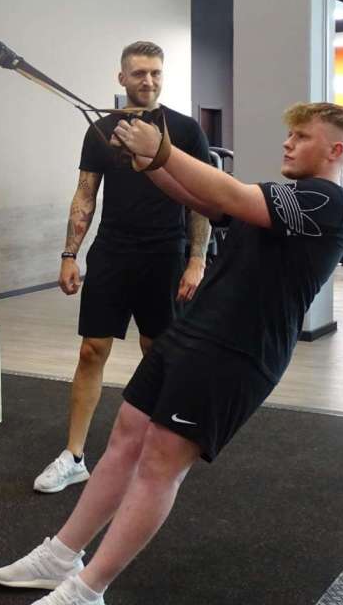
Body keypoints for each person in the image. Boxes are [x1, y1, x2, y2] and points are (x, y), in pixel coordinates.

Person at [0, 103, 343, 605]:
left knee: (160, 461)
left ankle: (87, 594)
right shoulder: (286, 199)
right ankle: (61, 555)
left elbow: (230, 194)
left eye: (301, 137)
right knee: (126, 435)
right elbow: (202, 199)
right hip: (193, 331)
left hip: (238, 352)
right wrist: (147, 163)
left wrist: (162, 150)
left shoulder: (329, 203)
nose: (288, 143)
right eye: (290, 134)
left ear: (335, 150)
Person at [34, 41, 212, 495]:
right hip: (112, 253)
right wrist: (69, 255)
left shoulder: (186, 130)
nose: (148, 81)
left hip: (165, 255)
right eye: (139, 73)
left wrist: (196, 259)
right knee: (91, 352)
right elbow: (85, 194)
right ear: (122, 78)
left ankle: (157, 452)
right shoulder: (102, 130)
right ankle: (74, 456)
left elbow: (201, 199)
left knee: (158, 353)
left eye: (155, 73)